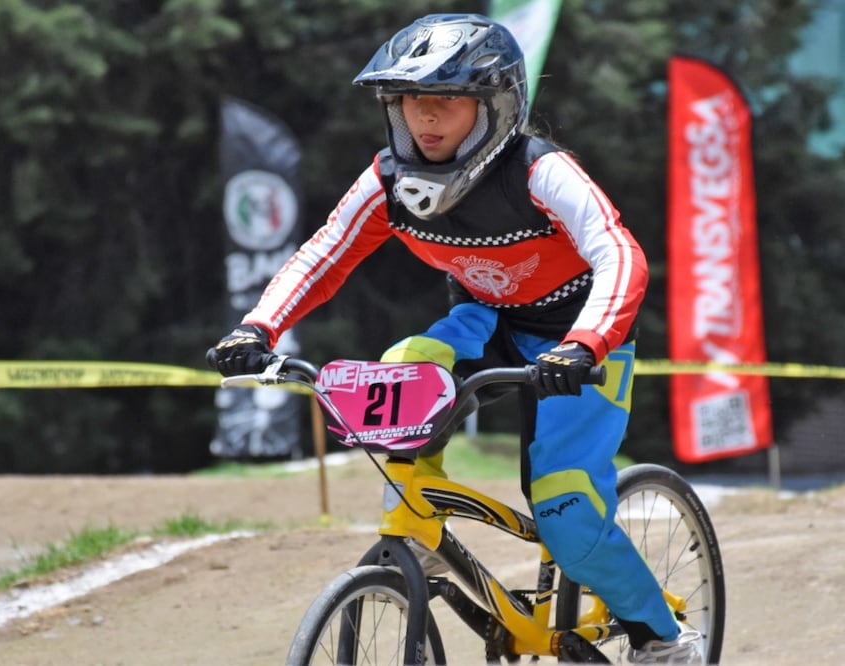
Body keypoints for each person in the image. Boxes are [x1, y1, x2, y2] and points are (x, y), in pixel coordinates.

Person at [210, 13, 700, 663]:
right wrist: (256, 326)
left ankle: (659, 637)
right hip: (486, 321)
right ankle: (415, 527)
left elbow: (618, 254)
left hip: (579, 339)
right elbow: (323, 256)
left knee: (566, 512)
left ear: (493, 105)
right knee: (399, 368)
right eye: (412, 100)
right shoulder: (389, 178)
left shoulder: (538, 169)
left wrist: (586, 344)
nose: (425, 118)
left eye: (445, 100)